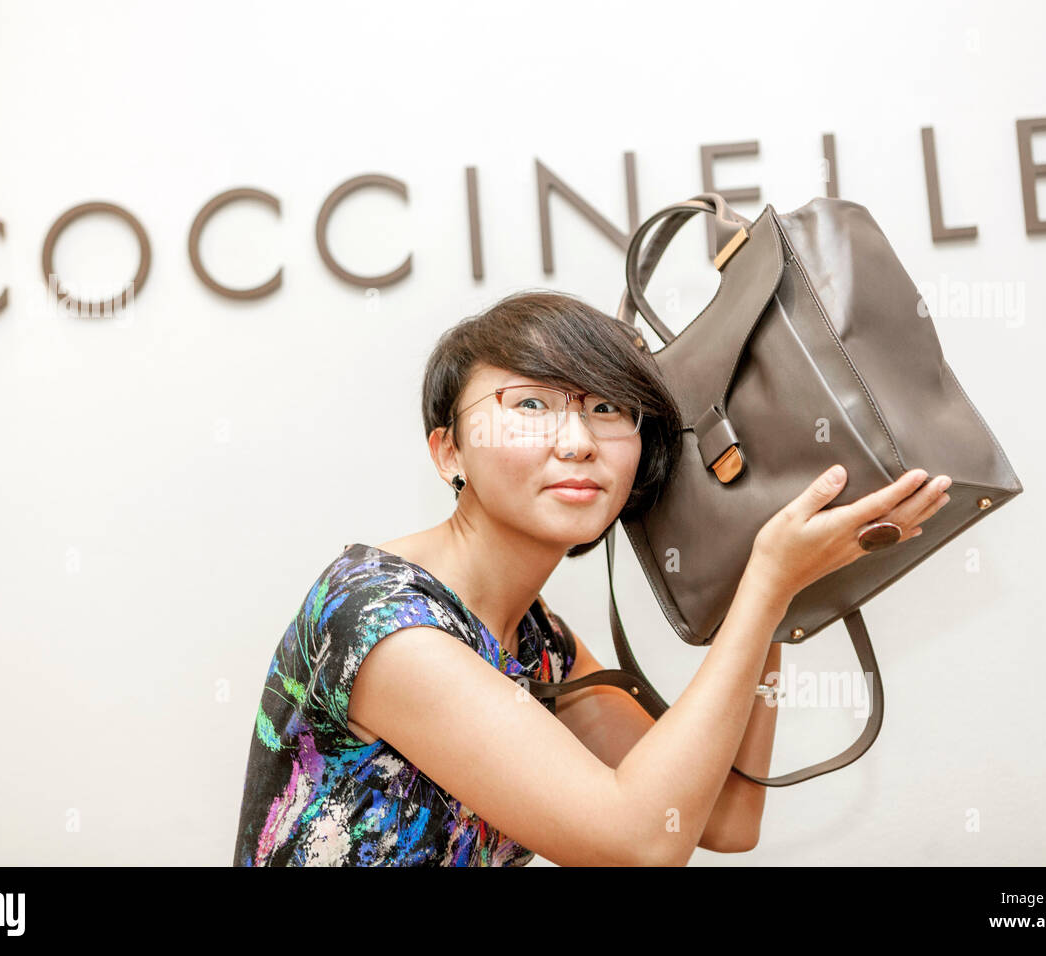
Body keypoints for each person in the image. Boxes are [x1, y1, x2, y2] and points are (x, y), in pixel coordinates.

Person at [231, 289, 952, 866]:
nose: (576, 442)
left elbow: (726, 819)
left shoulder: (535, 638)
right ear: (449, 452)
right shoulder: (383, 623)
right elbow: (637, 845)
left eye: (607, 408)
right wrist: (765, 587)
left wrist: (770, 580)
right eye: (532, 405)